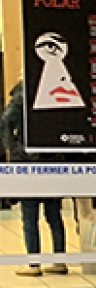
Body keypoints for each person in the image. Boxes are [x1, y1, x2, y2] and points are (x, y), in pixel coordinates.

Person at [1, 80, 70, 275]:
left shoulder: (23, 91)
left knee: (30, 215)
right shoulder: (55, 89)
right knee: (53, 214)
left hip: (31, 163)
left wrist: (15, 151)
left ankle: (34, 264)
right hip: (52, 160)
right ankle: (59, 261)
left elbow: (6, 122)